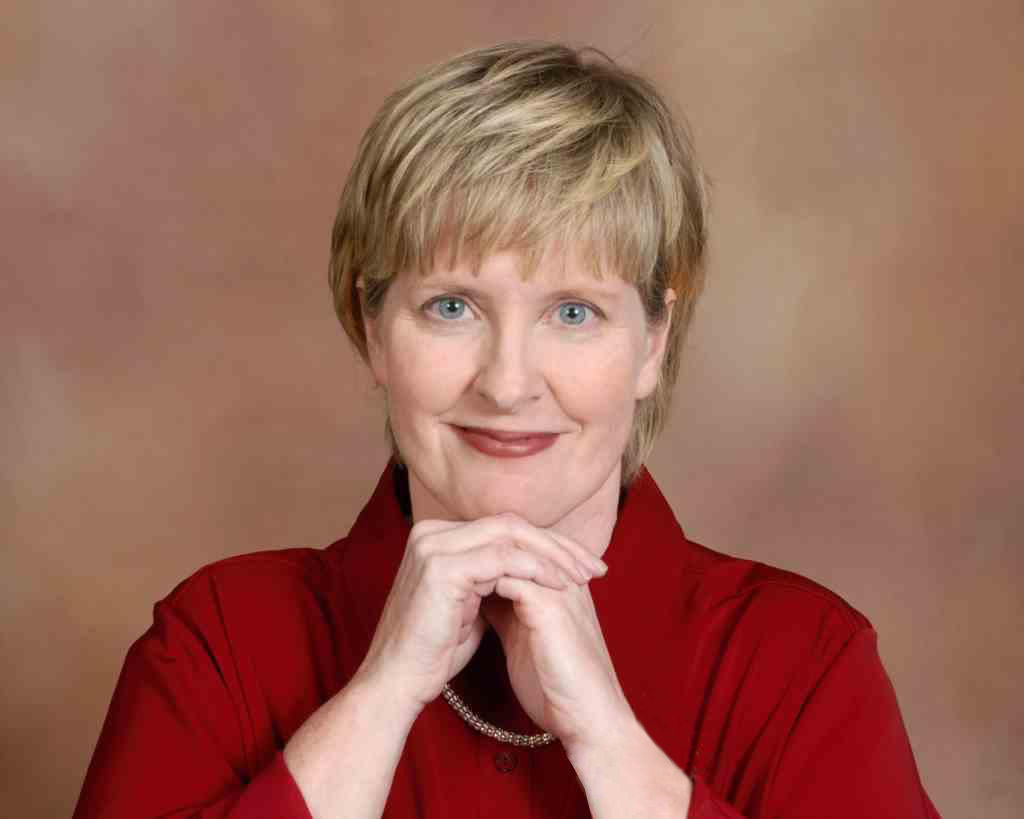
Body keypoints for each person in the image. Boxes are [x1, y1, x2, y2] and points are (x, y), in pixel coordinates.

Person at [73, 41, 942, 818]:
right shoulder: (217, 644)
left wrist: (611, 744)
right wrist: (378, 698)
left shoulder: (803, 665)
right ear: (372, 327)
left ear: (652, 343)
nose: (507, 382)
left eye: (573, 312)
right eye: (451, 306)